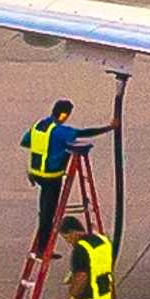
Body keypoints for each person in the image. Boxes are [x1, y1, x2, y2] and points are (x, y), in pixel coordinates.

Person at [21, 98, 109, 253]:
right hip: (51, 176)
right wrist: (108, 128)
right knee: (49, 213)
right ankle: (43, 247)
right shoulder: (58, 130)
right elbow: (82, 133)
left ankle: (42, 243)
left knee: (44, 208)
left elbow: (26, 142)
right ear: (63, 115)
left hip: (36, 174)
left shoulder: (40, 125)